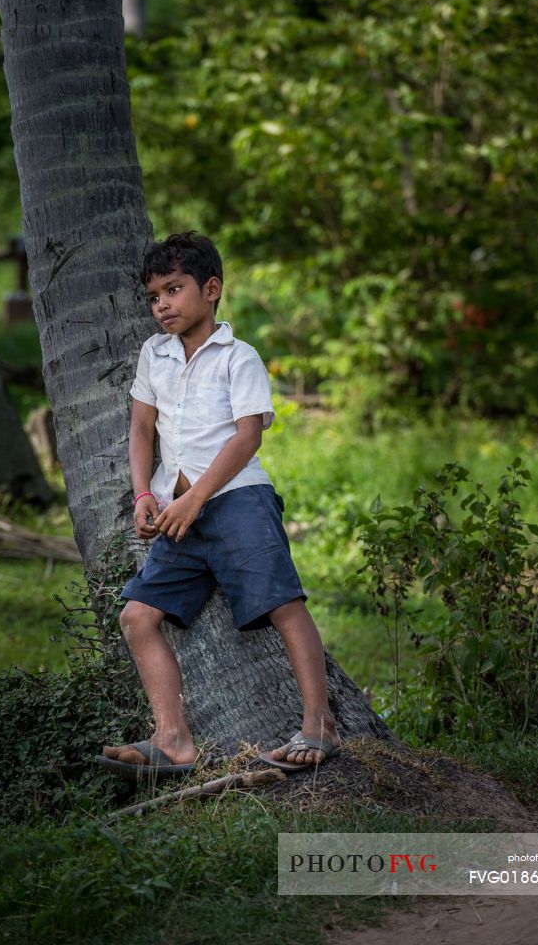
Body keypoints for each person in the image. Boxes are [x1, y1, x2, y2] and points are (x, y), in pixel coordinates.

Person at [96, 232, 341, 777]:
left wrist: (196, 499)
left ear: (211, 290)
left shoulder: (240, 357)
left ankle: (320, 722)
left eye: (173, 290)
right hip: (174, 514)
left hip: (237, 502)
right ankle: (175, 739)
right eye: (153, 295)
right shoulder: (153, 355)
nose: (161, 304)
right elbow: (140, 427)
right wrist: (144, 494)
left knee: (283, 604)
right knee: (137, 617)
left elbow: (247, 436)